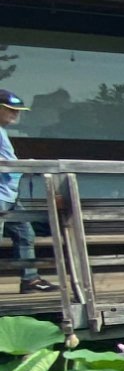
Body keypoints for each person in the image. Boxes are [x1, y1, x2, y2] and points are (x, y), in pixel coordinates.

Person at [0, 91, 51, 294]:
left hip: (9, 194)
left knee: (25, 234)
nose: (15, 115)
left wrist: (25, 166)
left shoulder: (2, 130)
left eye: (17, 111)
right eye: (11, 110)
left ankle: (30, 280)